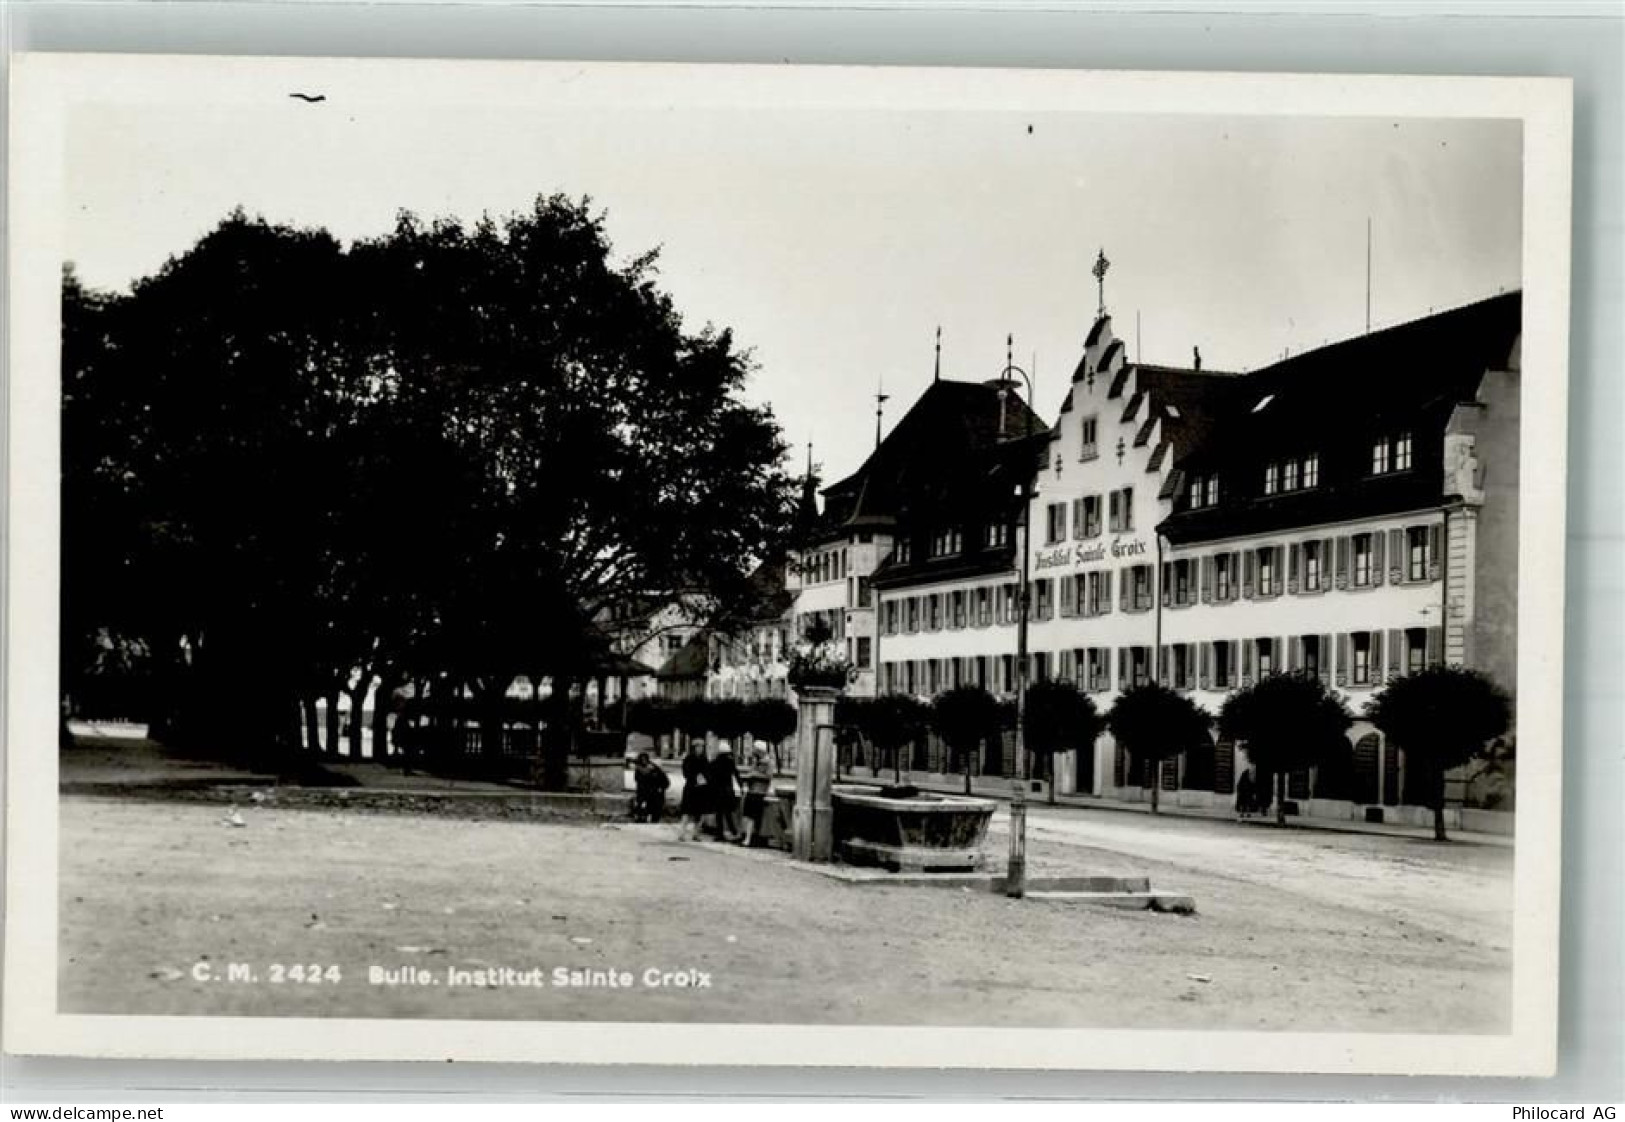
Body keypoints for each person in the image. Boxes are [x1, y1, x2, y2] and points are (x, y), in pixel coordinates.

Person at [739, 742, 775, 848]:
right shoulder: (756, 761)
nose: (753, 751)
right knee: (747, 815)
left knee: (753, 817)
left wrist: (754, 774)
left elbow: (769, 776)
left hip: (759, 792)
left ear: (760, 751)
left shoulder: (769, 762)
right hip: (752, 790)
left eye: (754, 749)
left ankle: (749, 839)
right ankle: (747, 837)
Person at [707, 740, 742, 842]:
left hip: (716, 790)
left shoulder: (714, 763)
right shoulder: (730, 762)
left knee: (718, 813)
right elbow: (736, 774)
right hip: (727, 790)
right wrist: (740, 785)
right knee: (728, 813)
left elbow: (709, 776)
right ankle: (734, 832)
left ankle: (719, 834)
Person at [677, 740, 709, 841]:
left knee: (699, 813)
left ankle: (696, 833)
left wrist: (704, 778)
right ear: (694, 748)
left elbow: (708, 772)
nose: (701, 749)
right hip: (690, 788)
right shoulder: (689, 758)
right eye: (698, 747)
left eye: (702, 747)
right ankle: (682, 833)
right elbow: (685, 773)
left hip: (701, 789)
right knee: (686, 811)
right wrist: (695, 777)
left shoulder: (704, 759)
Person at [632, 752, 670, 823]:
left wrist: (661, 787)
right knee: (644, 808)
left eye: (645, 760)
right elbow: (638, 780)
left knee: (654, 809)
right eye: (642, 760)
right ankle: (642, 818)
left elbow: (664, 780)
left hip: (654, 793)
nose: (644, 762)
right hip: (645, 793)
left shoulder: (654, 768)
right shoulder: (639, 769)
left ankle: (649, 819)